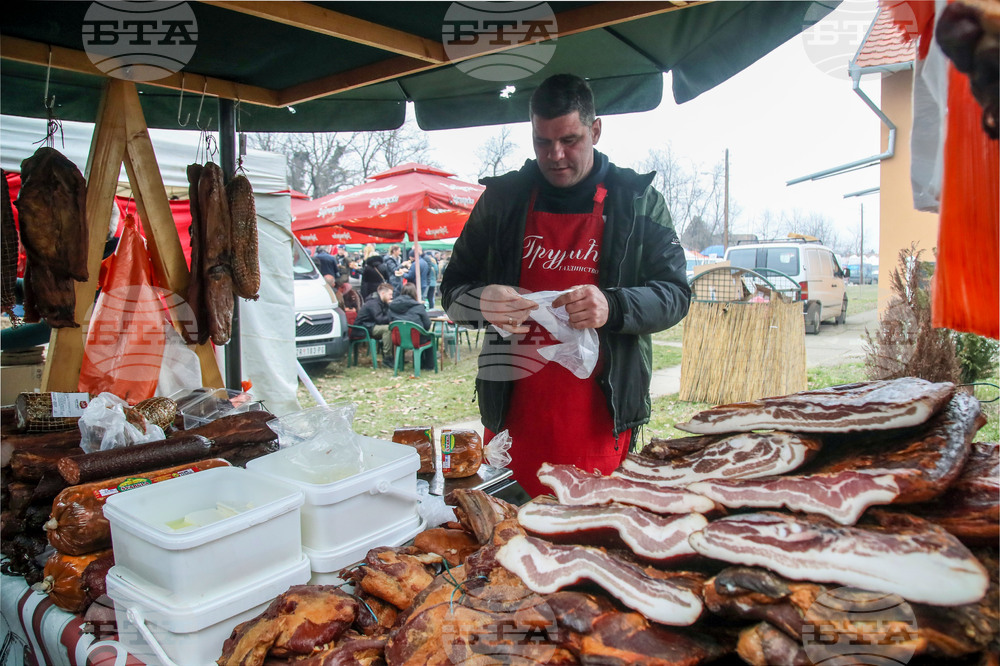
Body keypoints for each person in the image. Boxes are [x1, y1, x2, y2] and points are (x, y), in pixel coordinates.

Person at [440, 73, 691, 497]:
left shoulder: (636, 200)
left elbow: (676, 294)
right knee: (507, 534)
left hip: (598, 414)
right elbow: (451, 293)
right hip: (514, 409)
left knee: (591, 536)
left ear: (595, 130)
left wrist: (614, 306)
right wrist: (482, 301)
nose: (555, 155)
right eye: (542, 142)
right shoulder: (503, 201)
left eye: (570, 140)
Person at [388, 282, 434, 369]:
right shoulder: (418, 306)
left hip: (398, 339)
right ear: (414, 293)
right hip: (417, 338)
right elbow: (427, 324)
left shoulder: (392, 306)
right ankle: (428, 365)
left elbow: (390, 321)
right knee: (429, 337)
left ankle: (400, 364)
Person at [354, 282, 394, 365]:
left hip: (370, 325)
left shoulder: (382, 302)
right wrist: (391, 316)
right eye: (390, 295)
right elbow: (380, 319)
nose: (391, 297)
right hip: (363, 328)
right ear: (382, 293)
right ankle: (387, 358)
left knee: (393, 327)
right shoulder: (373, 303)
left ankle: (394, 357)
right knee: (388, 329)